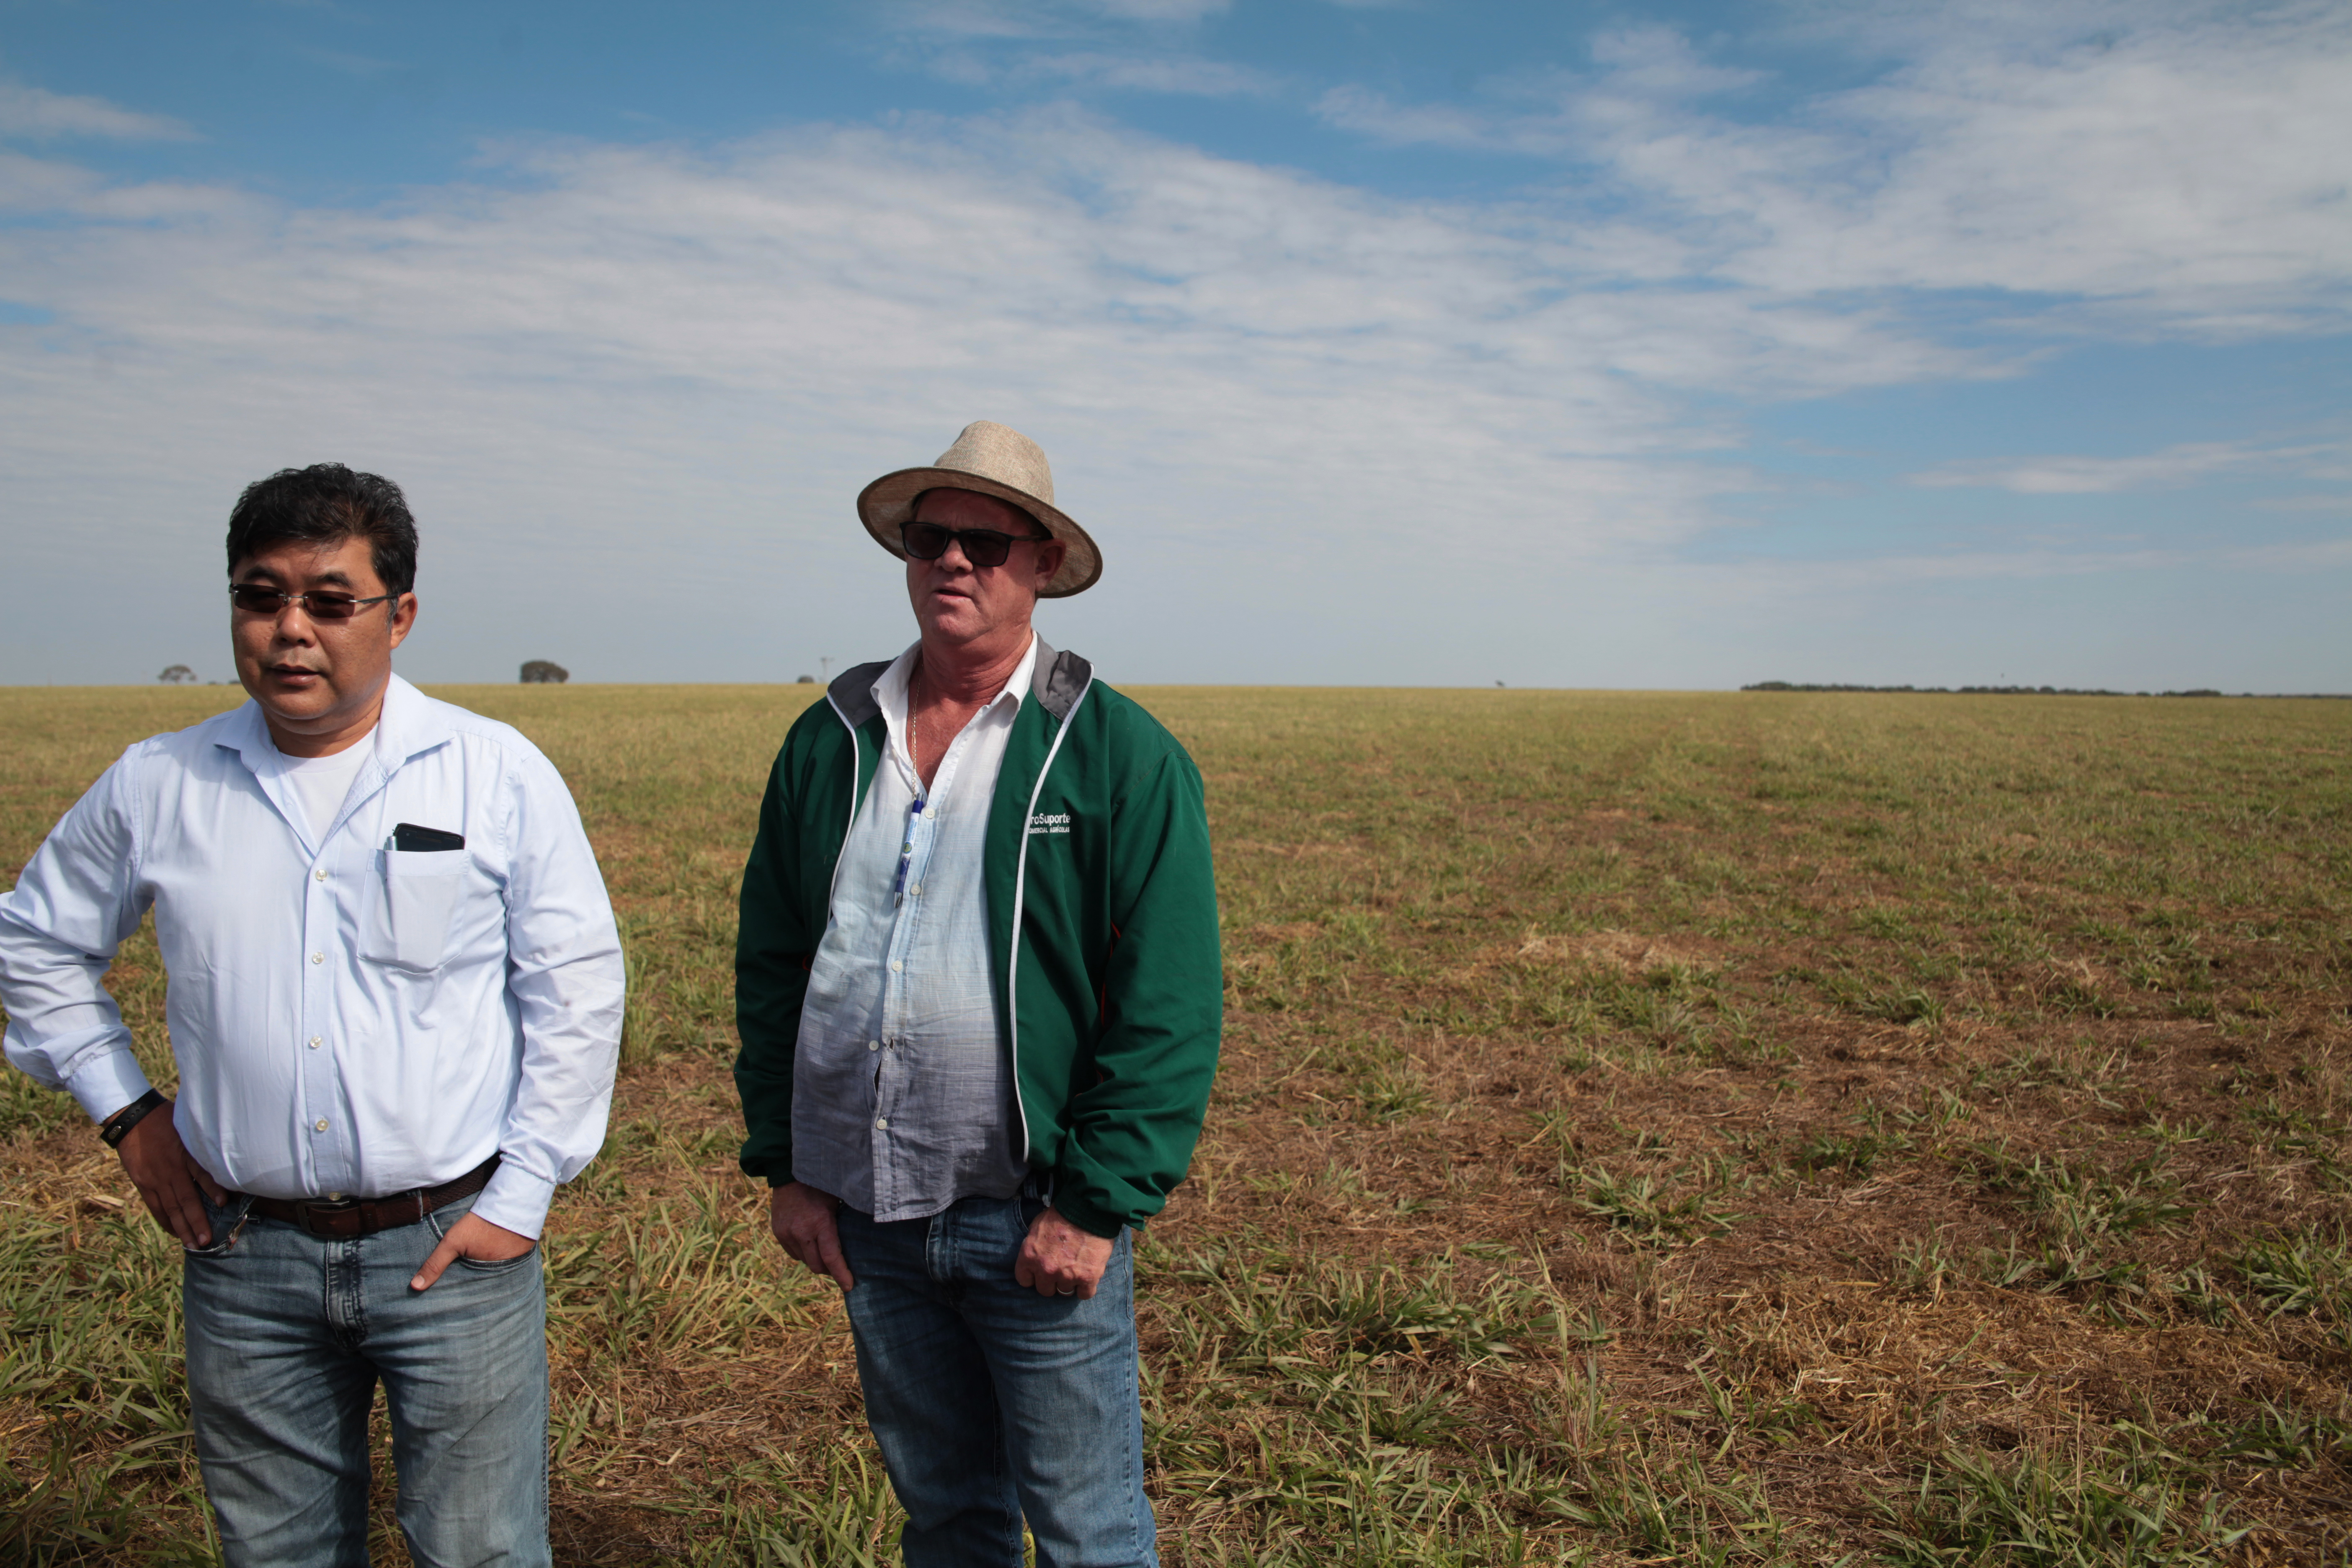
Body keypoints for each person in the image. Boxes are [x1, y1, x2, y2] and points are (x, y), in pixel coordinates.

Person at [0, 464, 625, 1568]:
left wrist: (524, 1191)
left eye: (330, 602)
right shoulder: (162, 783)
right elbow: (34, 948)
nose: (291, 631)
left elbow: (576, 987)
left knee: (478, 1551)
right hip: (244, 1257)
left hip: (454, 1248)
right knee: (276, 1552)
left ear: (400, 617)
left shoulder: (493, 774)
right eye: (260, 596)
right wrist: (129, 1116)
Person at [735, 421, 1222, 1567]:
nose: (953, 562)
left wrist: (1095, 1206)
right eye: (930, 539)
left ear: (1043, 562)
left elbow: (1168, 1004)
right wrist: (788, 1164)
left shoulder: (1114, 755)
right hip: (873, 1215)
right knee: (948, 1521)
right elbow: (775, 966)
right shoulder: (830, 742)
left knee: (1089, 1531)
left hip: (1032, 1219)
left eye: (986, 544)